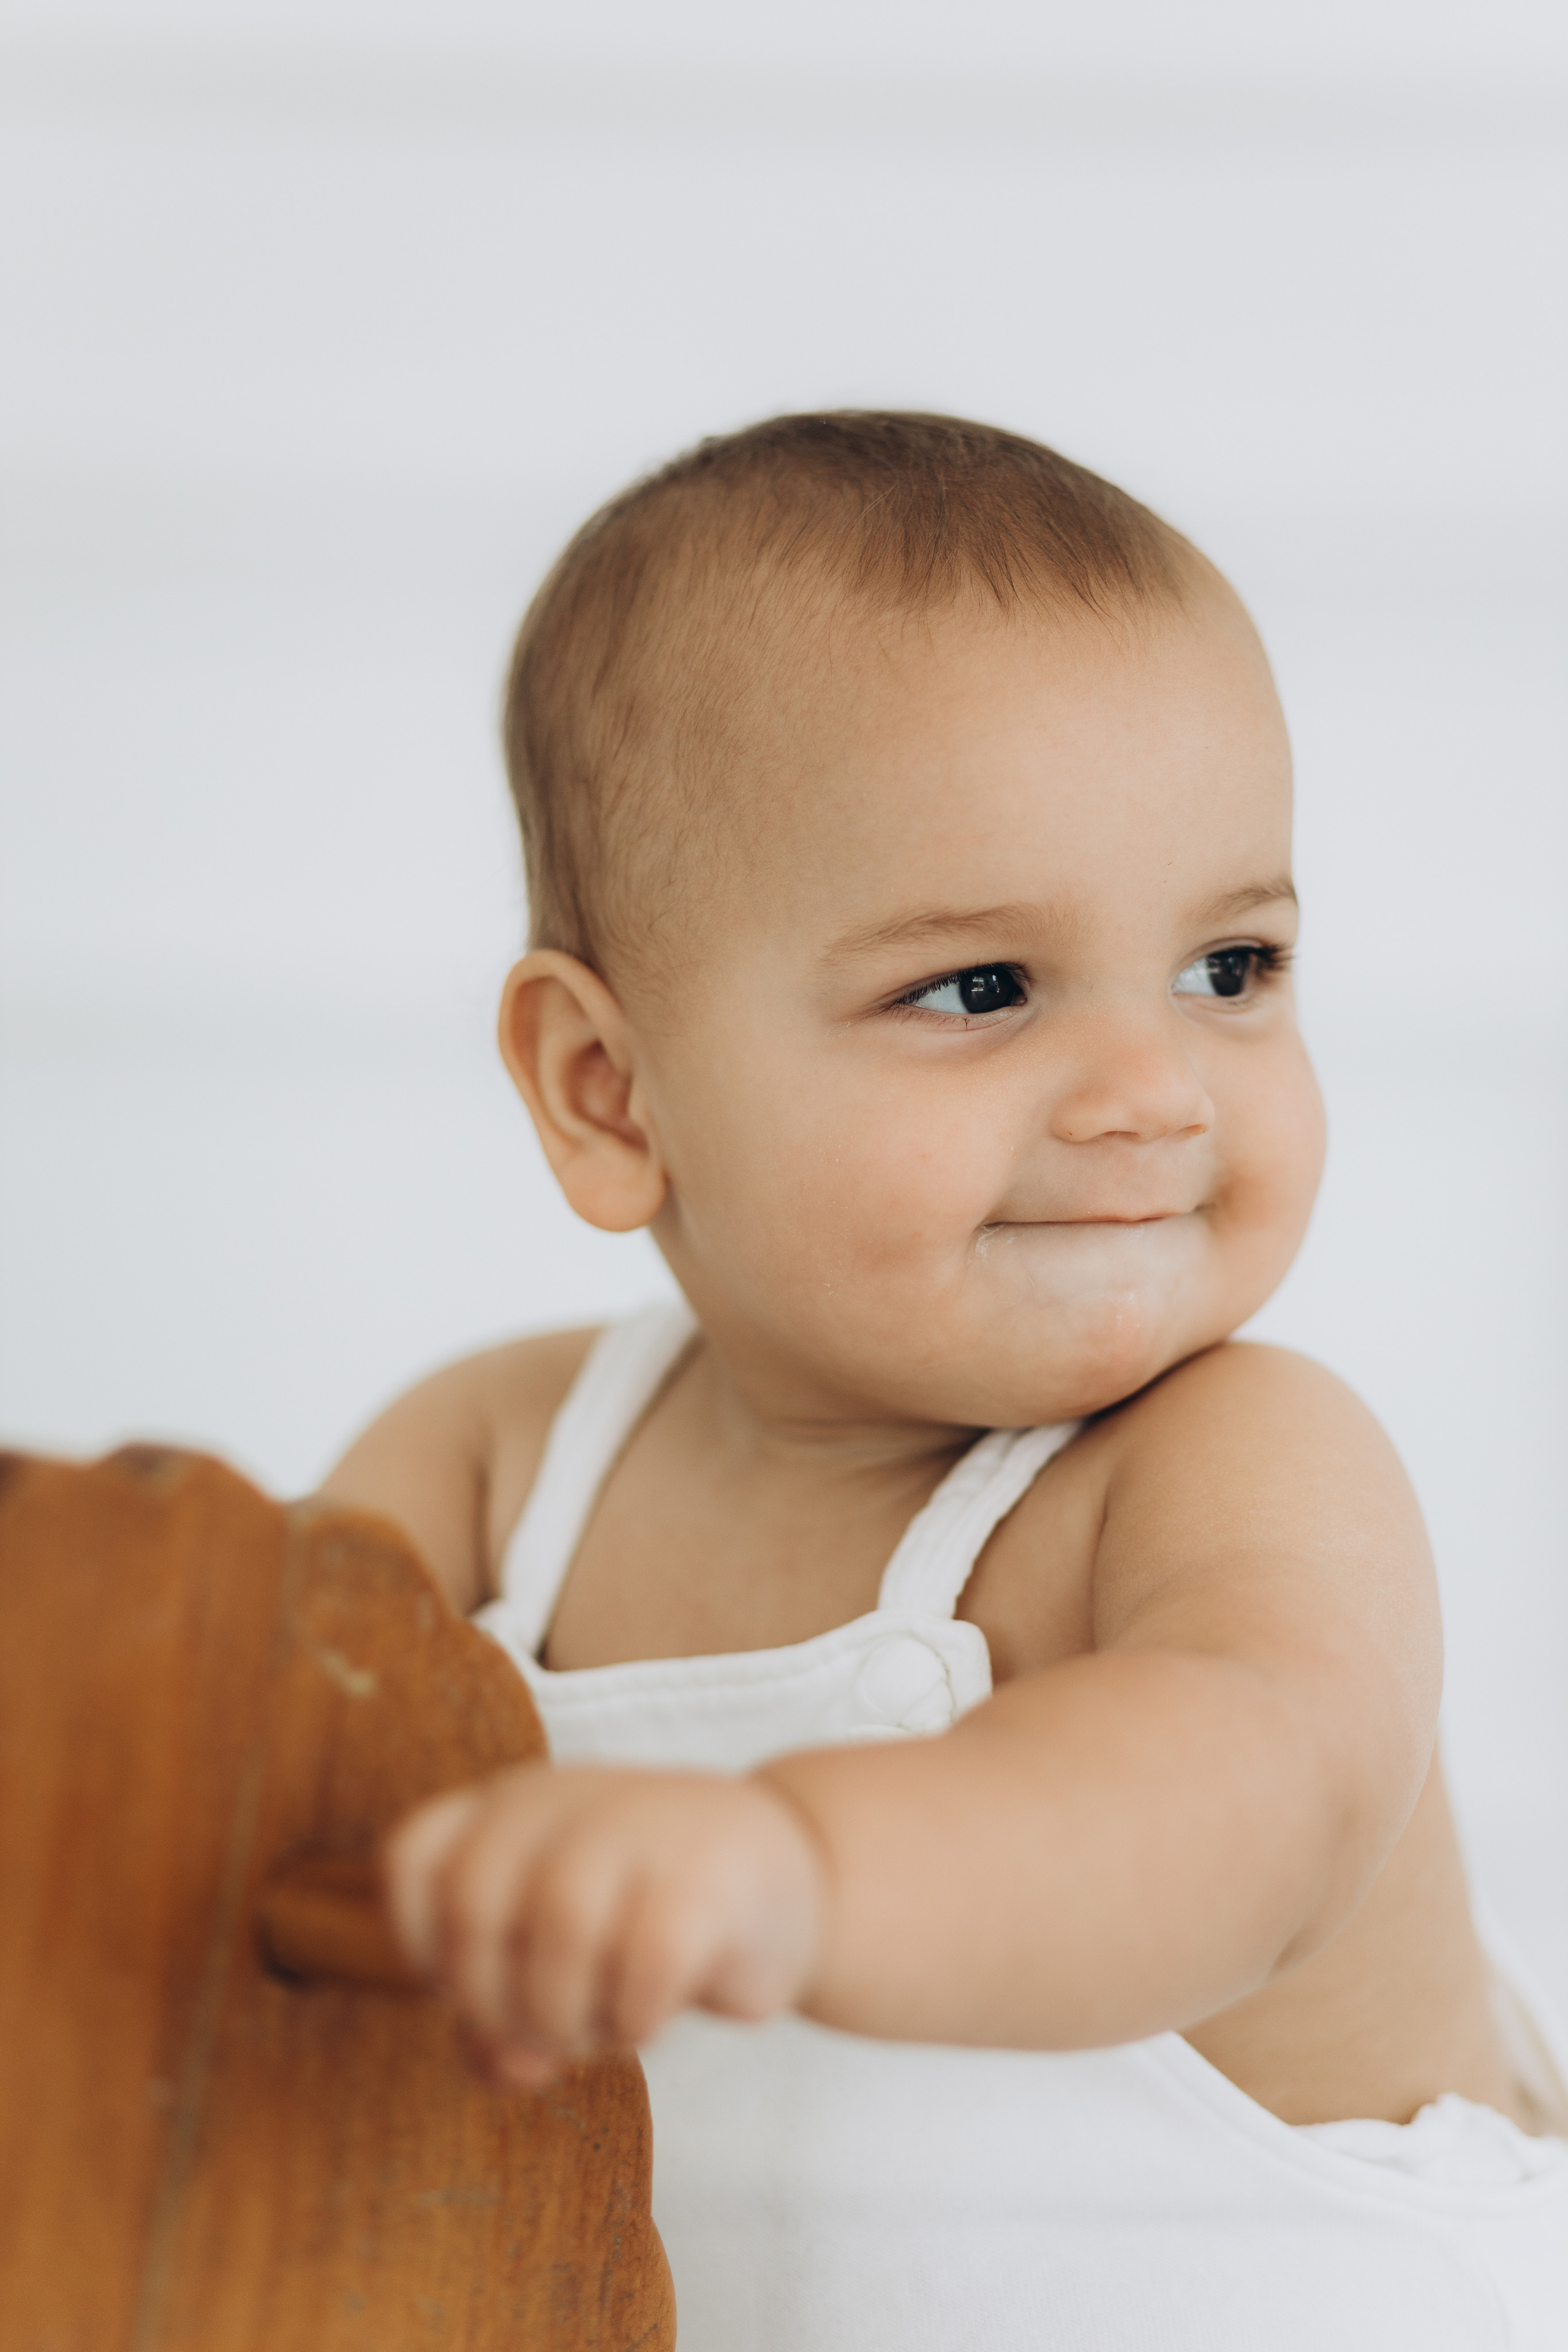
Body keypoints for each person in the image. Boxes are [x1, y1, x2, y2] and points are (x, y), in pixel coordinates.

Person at [322, 412, 1568, 2349]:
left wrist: (801, 1867)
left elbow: (1250, 1810)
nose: (1153, 1090)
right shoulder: (498, 1465)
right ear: (609, 1091)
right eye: (982, 990)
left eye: (1231, 969)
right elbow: (224, 1764)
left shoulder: (1232, 1466)